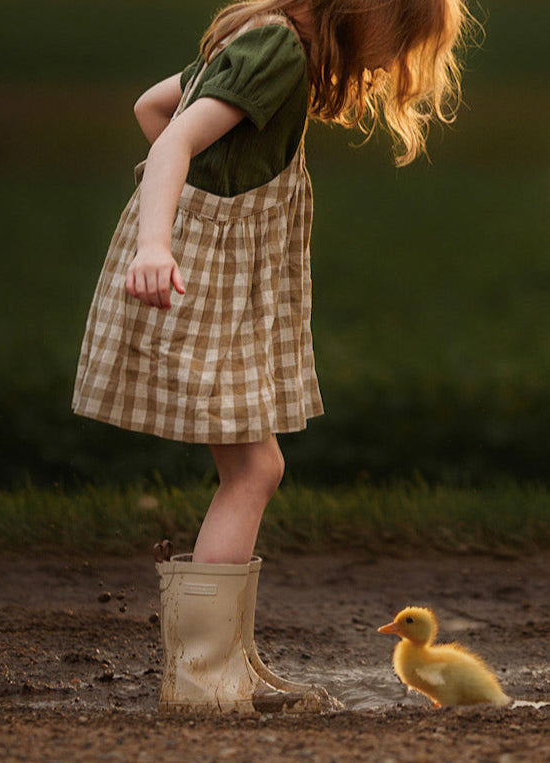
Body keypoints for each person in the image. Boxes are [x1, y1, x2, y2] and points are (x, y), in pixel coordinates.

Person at [73, 0, 474, 714]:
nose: (391, 64)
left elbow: (151, 105)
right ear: (368, 13)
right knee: (256, 467)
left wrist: (200, 205)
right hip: (197, 277)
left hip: (211, 273)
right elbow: (169, 142)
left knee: (251, 466)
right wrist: (159, 243)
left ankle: (223, 664)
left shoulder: (261, 40)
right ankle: (203, 678)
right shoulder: (278, 51)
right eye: (401, 42)